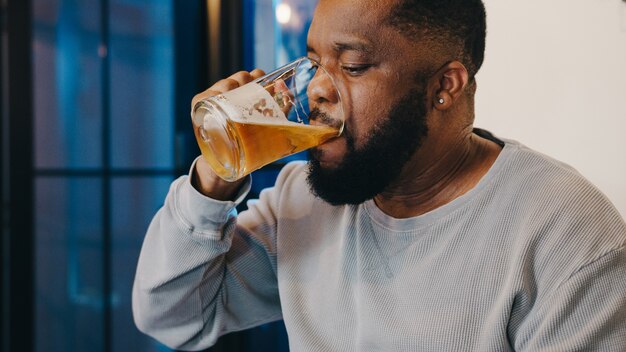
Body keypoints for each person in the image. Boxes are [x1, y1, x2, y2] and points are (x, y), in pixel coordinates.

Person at [132, 0, 626, 350]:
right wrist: (217, 176)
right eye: (312, 62)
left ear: (445, 85)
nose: (319, 90)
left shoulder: (567, 233)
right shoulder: (302, 202)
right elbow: (174, 317)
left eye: (352, 65)